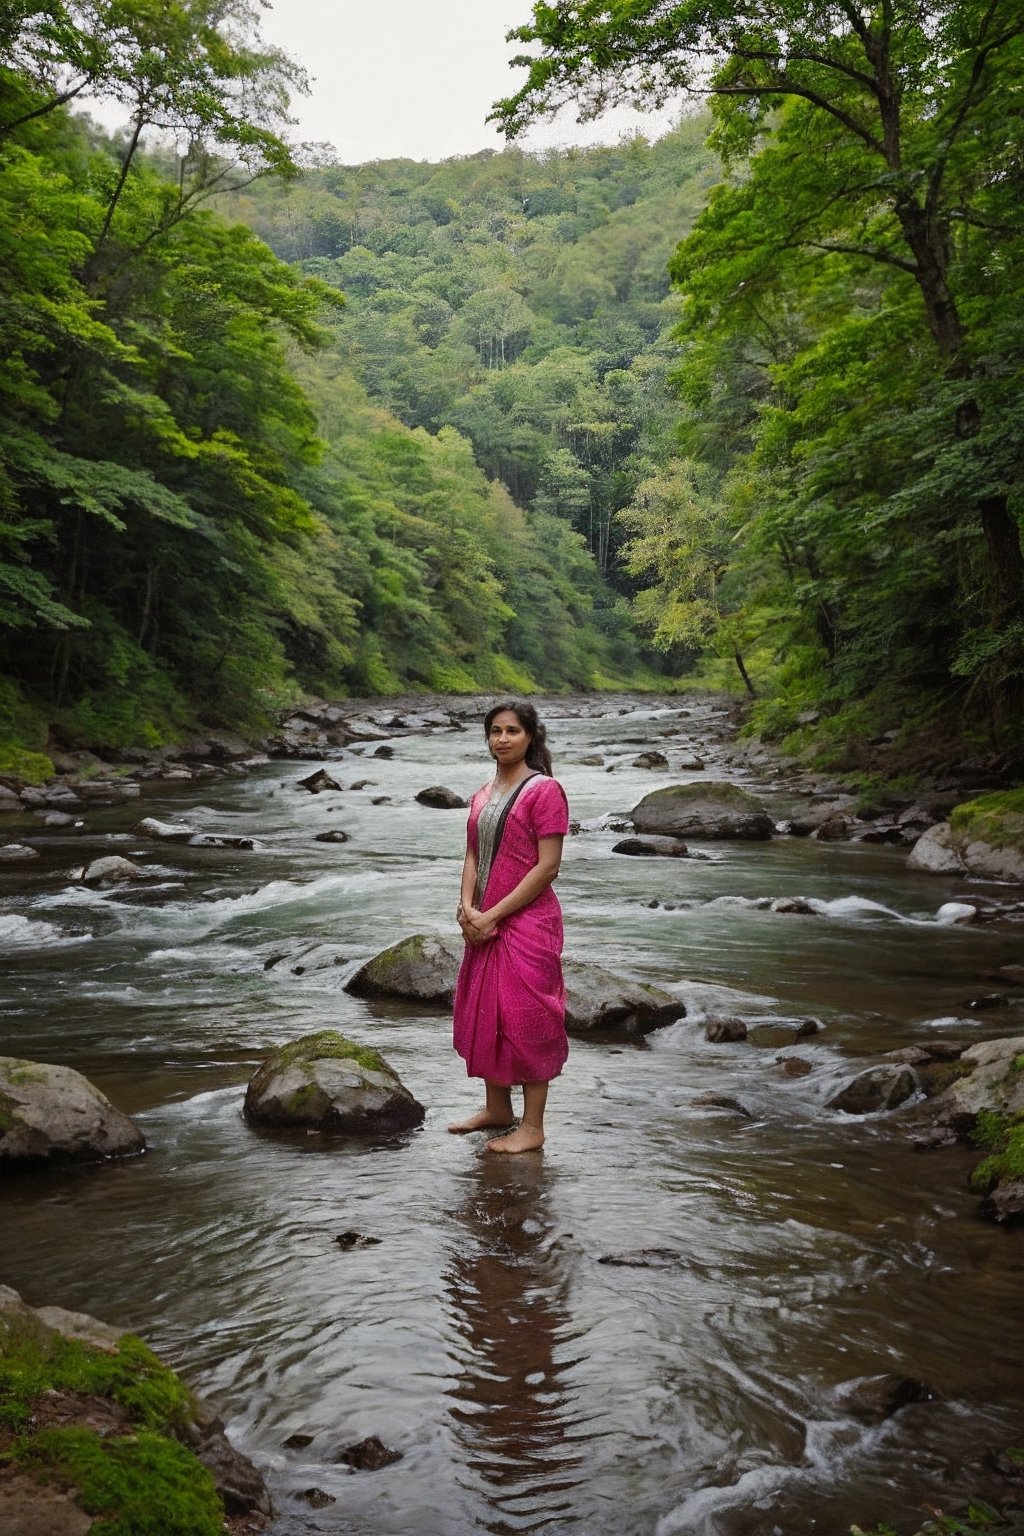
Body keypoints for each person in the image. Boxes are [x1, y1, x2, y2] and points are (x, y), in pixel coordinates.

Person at [447, 701, 569, 1153]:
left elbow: (548, 867)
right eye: (495, 731)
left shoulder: (545, 791)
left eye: (512, 731)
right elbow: (473, 856)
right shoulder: (483, 793)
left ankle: (533, 1128)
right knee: (485, 1012)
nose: (502, 739)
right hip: (480, 921)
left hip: (528, 922)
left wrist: (493, 914)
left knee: (529, 1016)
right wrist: (465, 909)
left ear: (530, 737)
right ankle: (497, 1110)